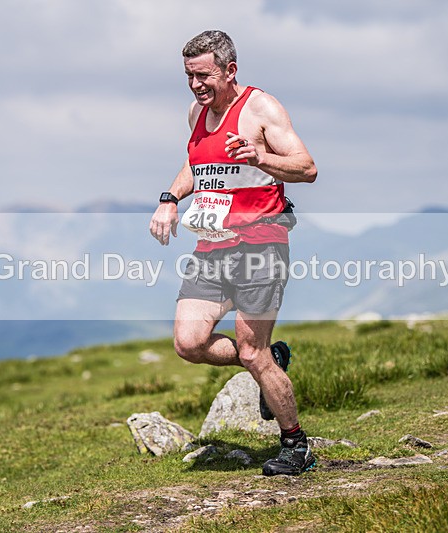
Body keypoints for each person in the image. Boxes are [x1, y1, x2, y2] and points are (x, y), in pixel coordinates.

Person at [149, 30, 317, 476]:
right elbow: (196, 164)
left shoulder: (261, 109)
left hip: (262, 244)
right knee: (188, 343)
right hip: (213, 247)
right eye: (189, 76)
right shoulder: (197, 113)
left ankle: (295, 445)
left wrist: (261, 158)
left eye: (203, 76)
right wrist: (170, 197)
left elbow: (307, 168)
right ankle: (271, 358)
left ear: (229, 70)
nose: (195, 86)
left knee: (249, 351)